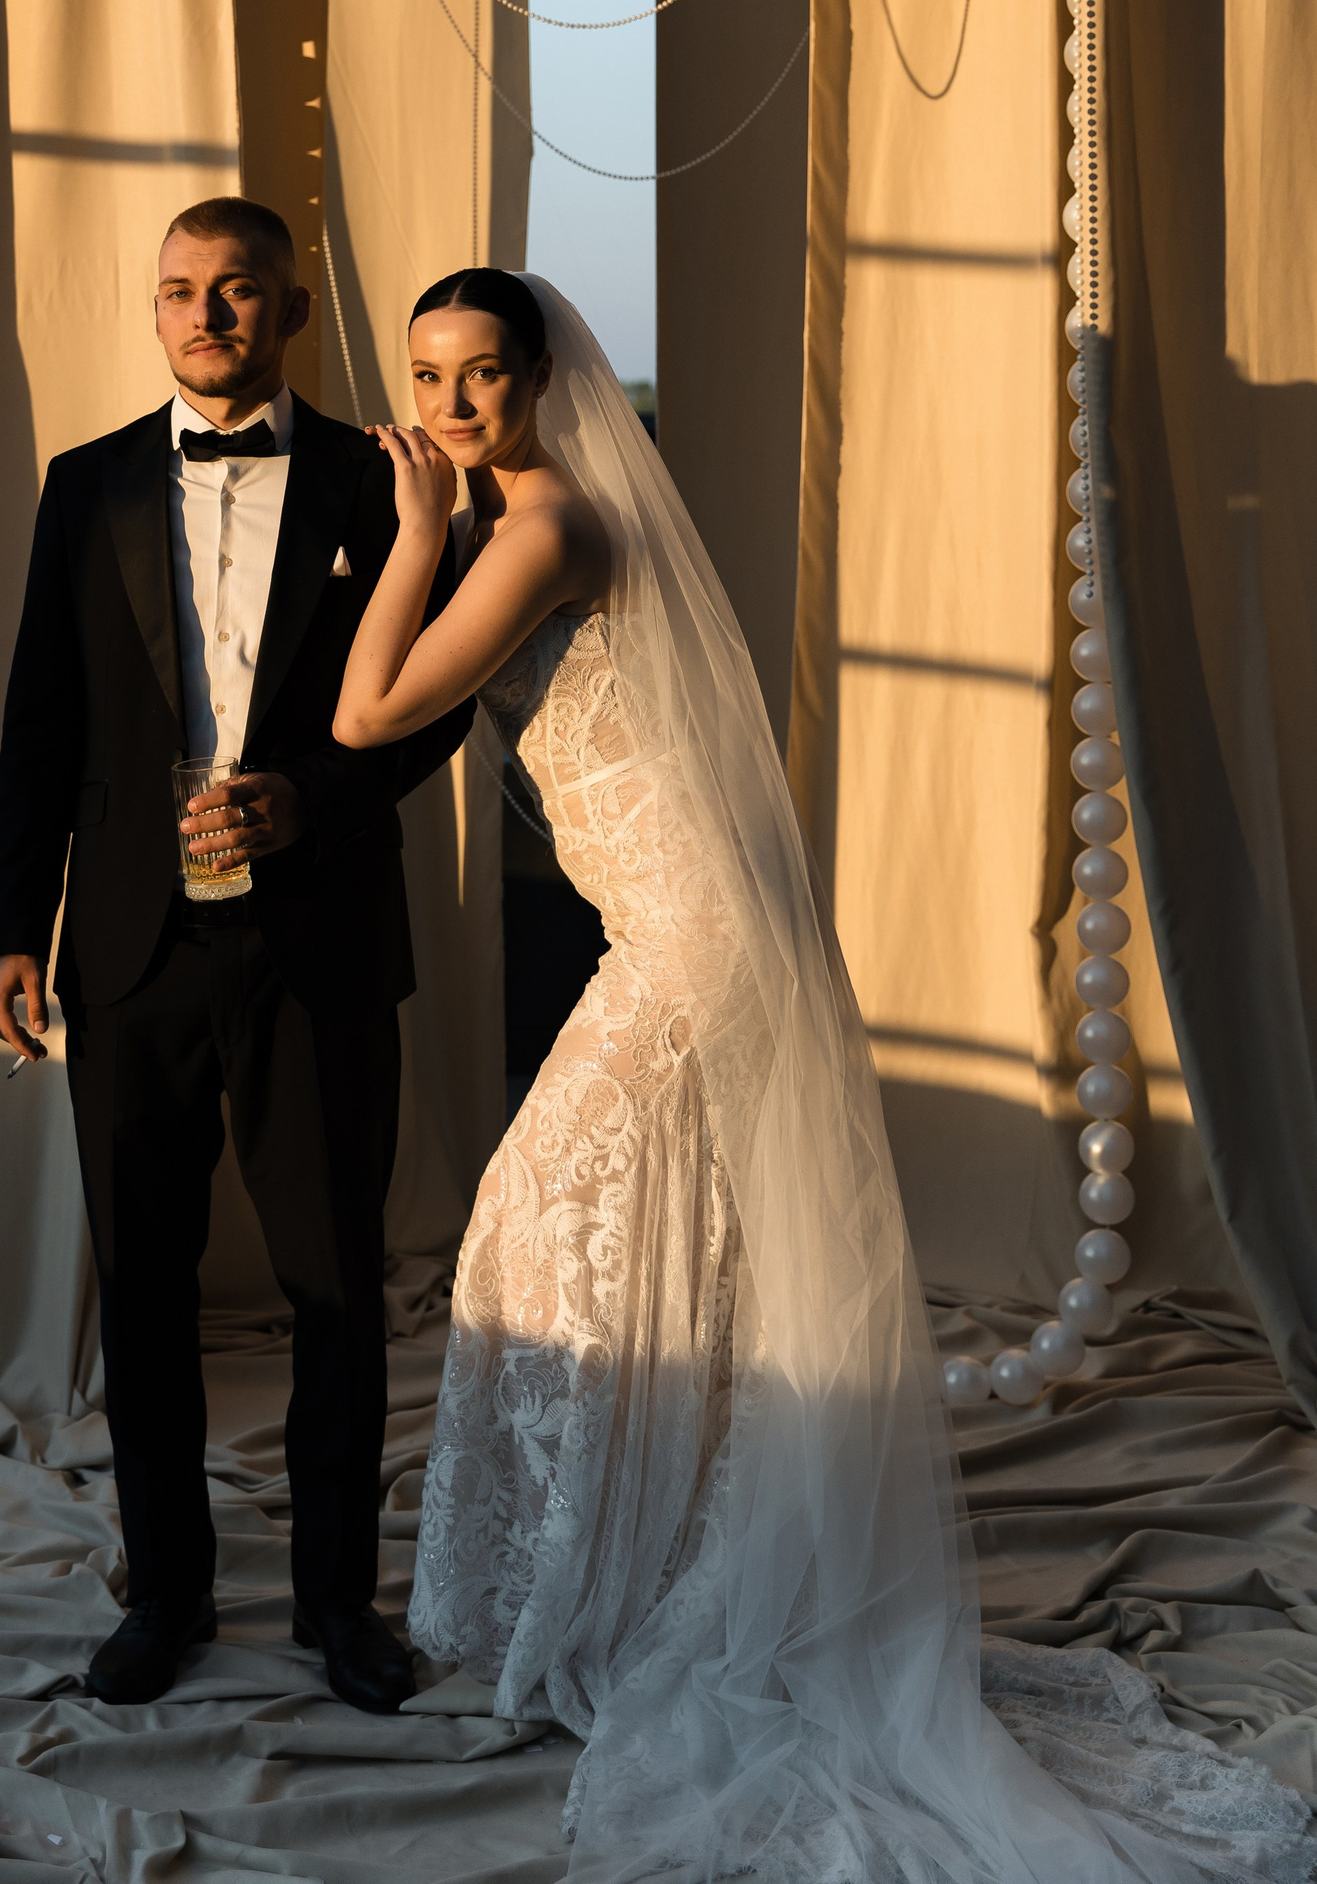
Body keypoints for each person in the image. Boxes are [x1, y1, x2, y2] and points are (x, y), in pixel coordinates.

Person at [331, 266, 1312, 1884]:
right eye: (427, 376)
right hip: (671, 924)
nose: (449, 406)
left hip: (694, 934)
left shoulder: (543, 525)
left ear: (540, 380)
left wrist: (411, 527)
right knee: (629, 1247)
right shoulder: (521, 517)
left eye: (482, 374)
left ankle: (614, 1591)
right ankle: (631, 1570)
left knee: (543, 1221)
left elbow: (370, 716)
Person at [0, 199, 473, 1717]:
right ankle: (168, 1597)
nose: (205, 315)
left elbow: (442, 700)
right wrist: (16, 926)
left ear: (292, 309)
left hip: (321, 936)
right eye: (180, 291)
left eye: (238, 289)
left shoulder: (384, 483)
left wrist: (308, 795)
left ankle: (340, 1607)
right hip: (130, 949)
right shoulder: (87, 485)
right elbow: (42, 718)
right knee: (142, 1286)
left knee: (337, 1289)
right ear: (154, 310)